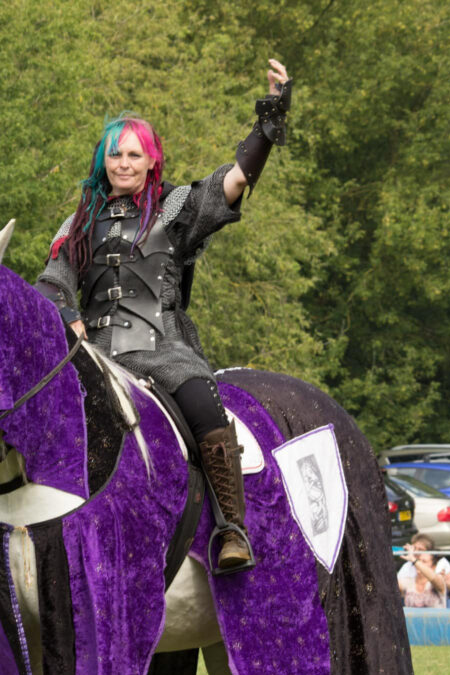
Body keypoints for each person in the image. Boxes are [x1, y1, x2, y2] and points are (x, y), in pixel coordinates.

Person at [36, 60, 292, 572]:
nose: (124, 163)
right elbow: (52, 279)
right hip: (97, 357)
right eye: (115, 154)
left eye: (134, 154)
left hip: (162, 350)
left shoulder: (176, 207)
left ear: (151, 160)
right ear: (104, 160)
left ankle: (230, 530)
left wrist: (269, 119)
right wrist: (66, 312)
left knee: (202, 404)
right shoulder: (79, 221)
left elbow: (236, 180)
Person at [396, 533, 450, 608]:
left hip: (441, 600)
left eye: (420, 549)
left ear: (431, 555)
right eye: (415, 549)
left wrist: (443, 581)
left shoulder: (441, 563)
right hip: (411, 602)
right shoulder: (407, 566)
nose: (416, 552)